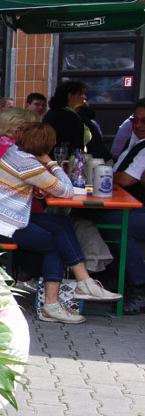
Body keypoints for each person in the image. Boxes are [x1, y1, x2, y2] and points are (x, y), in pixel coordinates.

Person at [0, 122, 122, 323]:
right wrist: (51, 163)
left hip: (1, 217)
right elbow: (67, 190)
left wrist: (36, 186)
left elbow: (27, 184)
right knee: (55, 244)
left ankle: (85, 283)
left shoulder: (15, 153)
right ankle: (51, 306)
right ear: (46, 147)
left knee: (61, 224)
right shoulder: (29, 164)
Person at [100, 98, 145, 314]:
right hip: (134, 207)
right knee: (100, 219)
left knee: (117, 223)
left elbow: (126, 179)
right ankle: (115, 277)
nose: (138, 125)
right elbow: (122, 174)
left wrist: (105, 175)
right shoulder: (135, 142)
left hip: (139, 209)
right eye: (135, 120)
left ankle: (139, 287)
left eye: (144, 121)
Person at [43, 80, 90, 157]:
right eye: (81, 93)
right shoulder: (68, 116)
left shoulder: (53, 113)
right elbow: (74, 143)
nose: (84, 97)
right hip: (64, 160)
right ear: (70, 96)